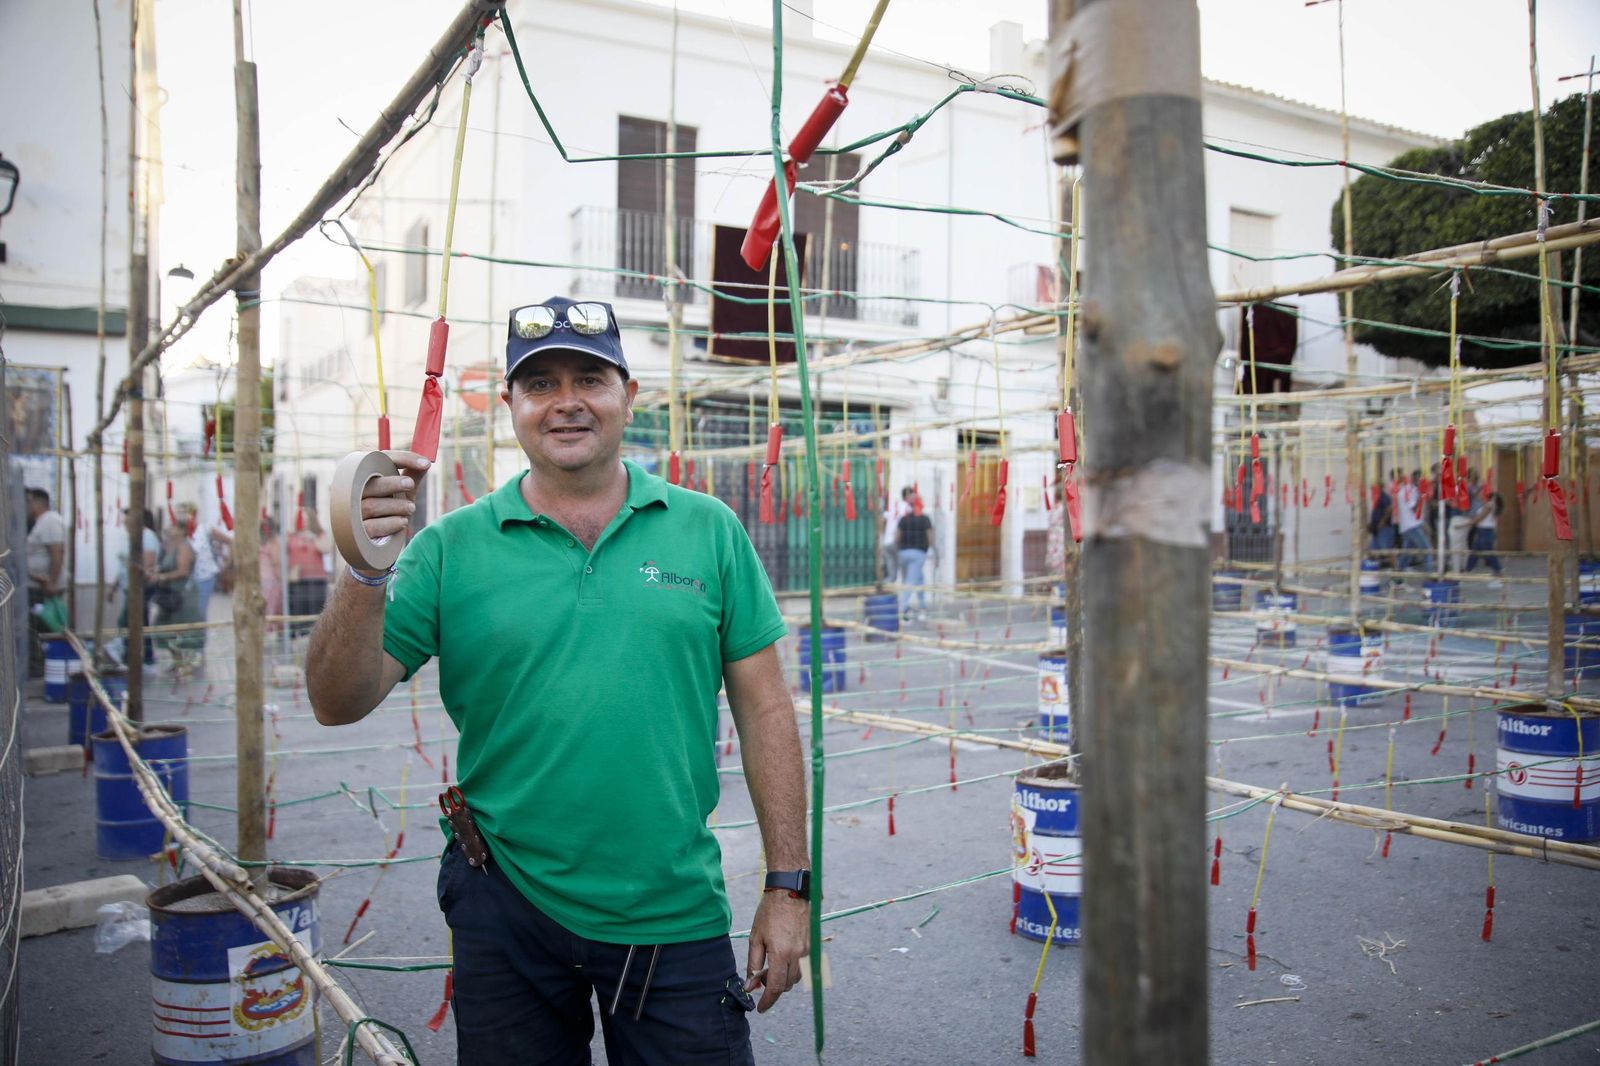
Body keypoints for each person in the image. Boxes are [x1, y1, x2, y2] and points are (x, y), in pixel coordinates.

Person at [305, 296, 807, 1064]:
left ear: (629, 396)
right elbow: (336, 702)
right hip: (506, 904)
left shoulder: (707, 530)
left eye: (590, 378)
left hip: (670, 907)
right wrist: (363, 567)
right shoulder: (450, 549)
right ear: (509, 406)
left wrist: (787, 887)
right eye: (539, 384)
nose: (567, 401)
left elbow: (768, 708)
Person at [148, 520, 204, 674]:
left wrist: (162, 577)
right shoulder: (171, 546)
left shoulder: (185, 547)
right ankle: (177, 660)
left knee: (182, 628)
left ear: (182, 530)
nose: (170, 529)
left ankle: (185, 663)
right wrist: (156, 571)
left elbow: (183, 571)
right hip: (169, 594)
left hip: (182, 594)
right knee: (163, 626)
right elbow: (166, 565)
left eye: (174, 527)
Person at [109, 508, 160, 669]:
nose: (124, 521)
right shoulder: (130, 537)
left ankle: (129, 656)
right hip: (127, 587)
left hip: (139, 587)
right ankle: (141, 658)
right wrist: (114, 586)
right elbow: (124, 565)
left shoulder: (147, 536)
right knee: (137, 622)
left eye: (128, 517)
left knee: (129, 621)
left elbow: (147, 565)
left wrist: (137, 587)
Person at [24, 488, 67, 676]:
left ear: (36, 503)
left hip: (44, 588)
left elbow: (57, 552)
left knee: (44, 628)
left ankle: (45, 667)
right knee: (36, 628)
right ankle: (43, 666)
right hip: (37, 585)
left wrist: (51, 582)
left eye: (27, 502)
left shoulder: (50, 520)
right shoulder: (40, 522)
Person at [286, 506, 330, 635]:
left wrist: (312, 538)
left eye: (306, 519)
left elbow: (325, 549)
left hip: (316, 580)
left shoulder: (319, 534)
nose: (304, 521)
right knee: (297, 611)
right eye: (301, 518)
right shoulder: (292, 536)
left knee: (316, 612)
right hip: (297, 580)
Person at [896, 487, 934, 620]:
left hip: (903, 553)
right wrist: (929, 550)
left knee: (919, 579)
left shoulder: (903, 519)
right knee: (911, 581)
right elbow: (930, 537)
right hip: (918, 554)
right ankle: (902, 610)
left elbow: (897, 537)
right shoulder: (925, 519)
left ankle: (922, 607)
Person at [1466, 488, 1505, 587]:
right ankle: (1467, 570)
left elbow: (1480, 518)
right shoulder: (1489, 505)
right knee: (1475, 552)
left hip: (1486, 531)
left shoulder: (1489, 505)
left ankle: (1499, 572)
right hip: (1483, 531)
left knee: (1489, 554)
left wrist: (1467, 524)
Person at [1396, 470, 1431, 573]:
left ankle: (1397, 578)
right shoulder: (1411, 491)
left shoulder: (1407, 489)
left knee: (1406, 554)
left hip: (1407, 526)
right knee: (1427, 550)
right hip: (1412, 526)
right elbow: (1414, 509)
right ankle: (1431, 576)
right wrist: (1422, 496)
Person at [1367, 479, 1395, 565]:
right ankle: (1369, 571)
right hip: (1377, 528)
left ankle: (1396, 570)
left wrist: (1382, 522)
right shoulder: (1376, 497)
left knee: (1385, 550)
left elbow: (1389, 509)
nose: (1372, 489)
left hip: (1384, 528)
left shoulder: (1384, 497)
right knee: (1372, 550)